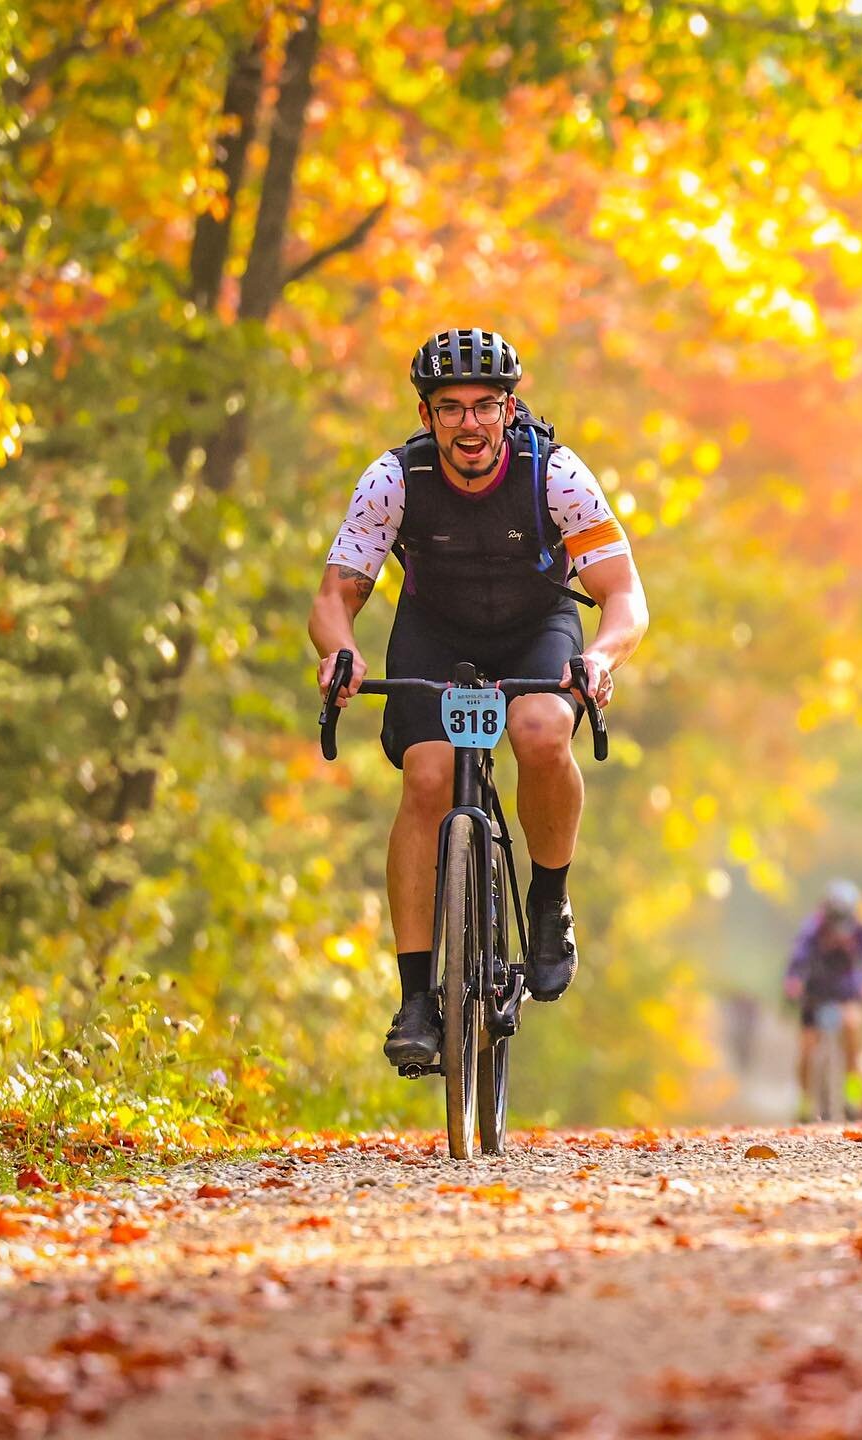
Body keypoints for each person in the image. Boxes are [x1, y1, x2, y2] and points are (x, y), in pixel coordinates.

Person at [309, 329, 649, 1067]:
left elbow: (622, 594)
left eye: (485, 407)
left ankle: (549, 898)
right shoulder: (393, 479)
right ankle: (415, 1000)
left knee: (539, 732)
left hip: (537, 630)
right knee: (427, 779)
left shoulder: (554, 473)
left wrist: (598, 656)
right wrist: (340, 650)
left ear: (510, 408)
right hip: (436, 635)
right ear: (426, 416)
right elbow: (336, 595)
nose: (470, 424)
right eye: (450, 408)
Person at [783, 880, 862, 1121]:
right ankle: (805, 1102)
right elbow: (799, 956)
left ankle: (853, 1095)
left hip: (847, 994)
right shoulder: (814, 929)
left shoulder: (860, 930)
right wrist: (794, 980)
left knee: (852, 1029)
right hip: (815, 995)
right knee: (807, 1046)